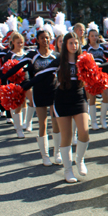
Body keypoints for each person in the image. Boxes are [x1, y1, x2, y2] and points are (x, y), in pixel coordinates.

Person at [27, 32, 90, 183]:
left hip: (79, 99)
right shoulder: (58, 61)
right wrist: (23, 86)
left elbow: (101, 68)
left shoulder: (84, 59)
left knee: (84, 133)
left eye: (76, 43)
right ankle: (68, 171)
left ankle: (80, 160)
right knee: (66, 136)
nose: (74, 46)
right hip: (62, 100)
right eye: (70, 43)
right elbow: (41, 75)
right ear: (64, 45)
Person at [6, 30, 62, 165]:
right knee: (42, 124)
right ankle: (45, 156)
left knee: (56, 123)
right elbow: (18, 67)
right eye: (42, 38)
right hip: (39, 91)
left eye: (47, 38)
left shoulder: (56, 55)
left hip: (53, 91)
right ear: (37, 40)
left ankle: (57, 153)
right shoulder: (32, 55)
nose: (45, 40)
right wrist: (3, 77)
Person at [84, 23, 108, 130]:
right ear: (88, 37)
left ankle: (103, 119)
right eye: (92, 36)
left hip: (101, 74)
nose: (94, 37)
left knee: (105, 95)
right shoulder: (85, 49)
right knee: (91, 97)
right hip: (90, 75)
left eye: (96, 35)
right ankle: (93, 121)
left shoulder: (102, 48)